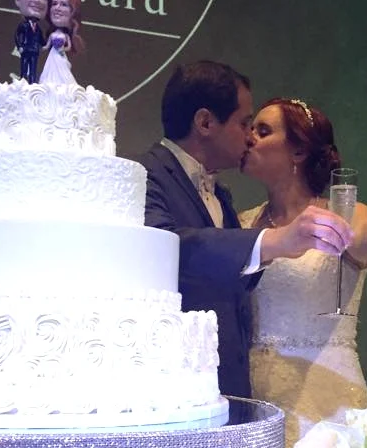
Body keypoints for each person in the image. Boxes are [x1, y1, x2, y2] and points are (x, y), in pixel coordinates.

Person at [138, 62, 354, 399]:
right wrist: (274, 241)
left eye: (259, 129)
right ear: (205, 123)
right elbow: (170, 251)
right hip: (174, 391)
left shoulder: (220, 194)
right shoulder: (145, 175)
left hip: (232, 390)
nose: (248, 136)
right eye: (243, 123)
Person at [239, 97, 367, 448]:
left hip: (328, 401)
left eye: (263, 130)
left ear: (298, 152)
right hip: (257, 404)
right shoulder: (244, 224)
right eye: (250, 128)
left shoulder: (344, 213)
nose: (249, 138)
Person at [39, 0, 85, 86]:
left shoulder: (67, 37)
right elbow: (47, 45)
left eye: (64, 5)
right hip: (52, 56)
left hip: (61, 56)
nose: (57, 8)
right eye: (54, 4)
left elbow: (68, 47)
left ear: (73, 11)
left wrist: (62, 49)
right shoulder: (50, 35)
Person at [14, 0, 48, 83]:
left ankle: (32, 81)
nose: (37, 0)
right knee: (24, 66)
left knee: (33, 68)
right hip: (25, 50)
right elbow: (16, 36)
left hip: (34, 51)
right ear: (18, 0)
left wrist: (48, 45)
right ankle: (23, 80)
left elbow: (42, 40)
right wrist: (20, 47)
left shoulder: (37, 28)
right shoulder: (23, 25)